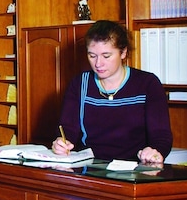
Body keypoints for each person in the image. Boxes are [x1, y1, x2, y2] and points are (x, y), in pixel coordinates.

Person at [51, 20, 172, 164]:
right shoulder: (79, 84)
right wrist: (61, 143)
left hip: (134, 168)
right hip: (89, 166)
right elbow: (67, 131)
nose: (98, 63)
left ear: (123, 52)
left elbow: (161, 136)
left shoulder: (148, 84)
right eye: (92, 56)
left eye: (106, 56)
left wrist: (155, 152)